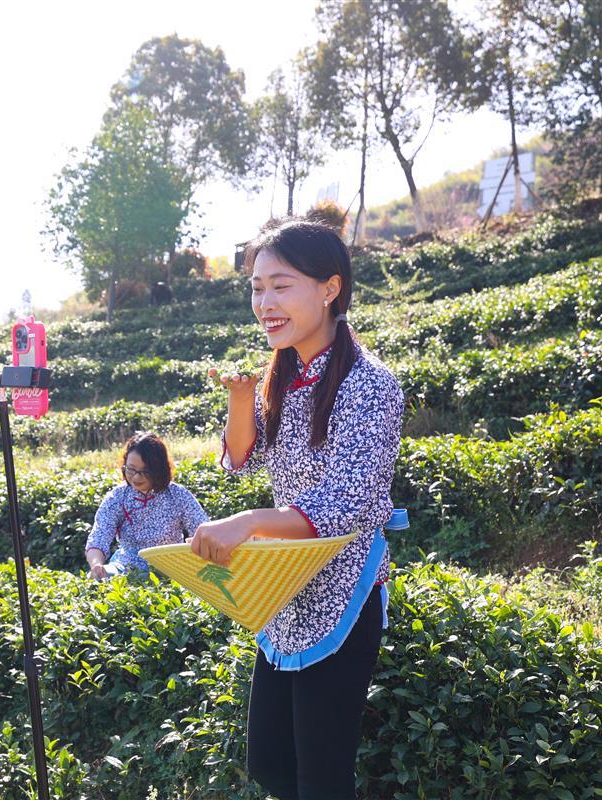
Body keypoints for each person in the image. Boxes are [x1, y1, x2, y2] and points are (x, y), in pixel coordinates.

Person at [190, 217, 405, 800]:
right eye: (257, 288)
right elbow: (240, 458)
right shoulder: (279, 375)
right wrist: (240, 397)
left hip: (343, 585)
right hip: (284, 586)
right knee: (271, 766)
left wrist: (252, 521)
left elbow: (349, 502)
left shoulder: (370, 383)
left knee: (322, 777)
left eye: (281, 286)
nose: (264, 303)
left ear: (329, 288)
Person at [85, 432, 209, 578]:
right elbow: (100, 535)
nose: (136, 477)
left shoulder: (177, 495)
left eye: (145, 471)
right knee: (100, 577)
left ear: (158, 470)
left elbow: (204, 529)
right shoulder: (118, 497)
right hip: (127, 567)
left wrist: (194, 544)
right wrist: (96, 565)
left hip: (172, 568)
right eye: (131, 469)